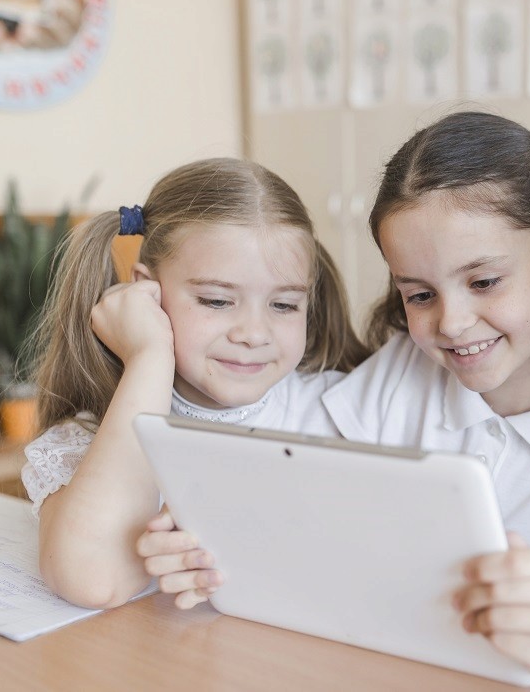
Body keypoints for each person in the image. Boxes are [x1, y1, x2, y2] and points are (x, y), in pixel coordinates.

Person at [146, 112, 530, 680]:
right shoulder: (401, 373)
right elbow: (265, 448)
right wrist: (204, 537)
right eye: (420, 295)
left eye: (483, 282)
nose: (452, 322)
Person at [21, 157, 367, 610]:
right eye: (217, 301)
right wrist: (148, 356)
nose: (254, 333)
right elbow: (92, 581)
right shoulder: (90, 440)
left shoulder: (345, 412)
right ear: (147, 292)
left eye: (283, 306)